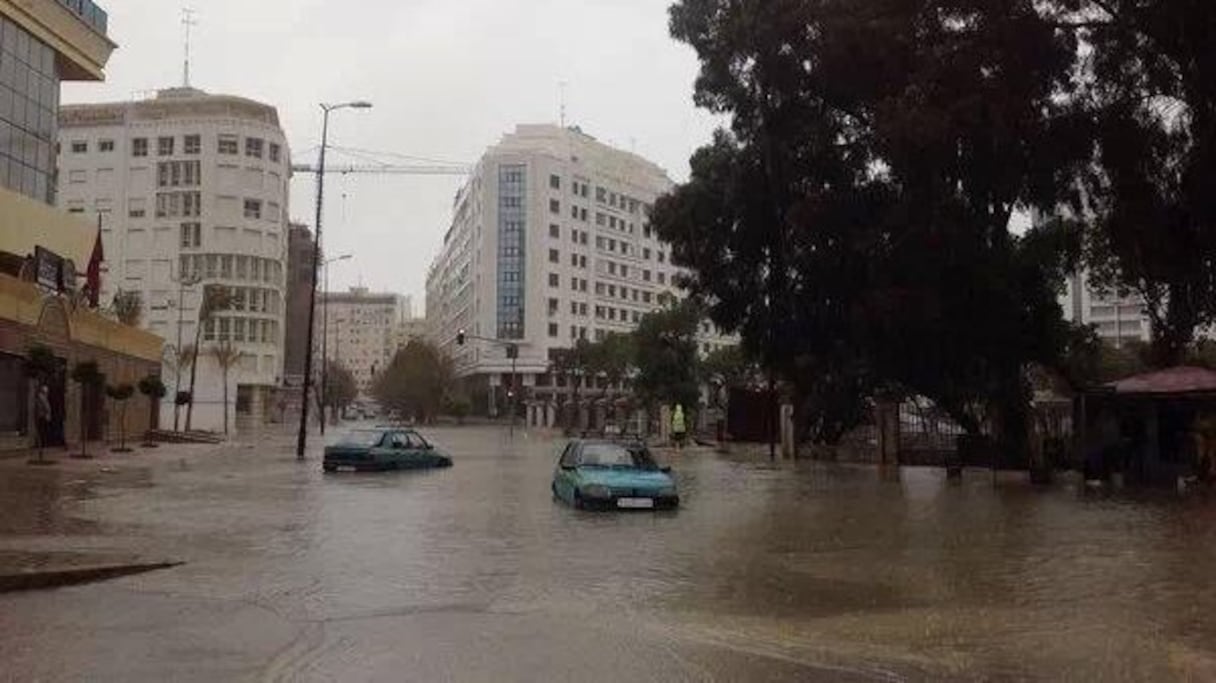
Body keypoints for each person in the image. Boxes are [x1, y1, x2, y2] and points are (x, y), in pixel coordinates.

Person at [35, 384, 52, 455]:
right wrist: (48, 415)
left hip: (41, 416)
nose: (47, 393)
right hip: (42, 417)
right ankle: (40, 447)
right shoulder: (42, 398)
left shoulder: (41, 398)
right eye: (46, 392)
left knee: (41, 432)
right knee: (41, 432)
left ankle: (40, 447)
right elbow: (47, 408)